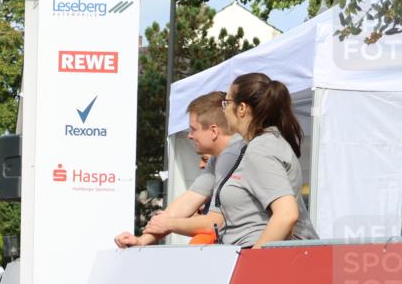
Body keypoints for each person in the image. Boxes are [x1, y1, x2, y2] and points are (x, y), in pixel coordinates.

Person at [115, 92, 242, 248]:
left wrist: (168, 223)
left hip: (252, 250)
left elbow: (213, 223)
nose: (189, 136)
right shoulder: (218, 159)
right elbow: (187, 202)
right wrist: (141, 241)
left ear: (214, 131)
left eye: (193, 129)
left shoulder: (236, 154)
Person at [217, 72, 318, 248]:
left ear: (242, 108)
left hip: (262, 254)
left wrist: (253, 259)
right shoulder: (266, 143)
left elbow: (286, 214)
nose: (223, 109)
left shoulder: (260, 149)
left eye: (226, 103)